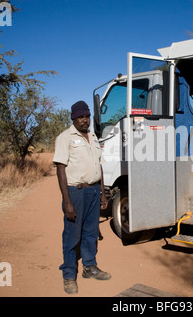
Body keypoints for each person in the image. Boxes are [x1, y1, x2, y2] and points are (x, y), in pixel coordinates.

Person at [53, 100, 111, 295]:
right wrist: (67, 201)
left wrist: (102, 192)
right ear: (73, 118)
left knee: (91, 232)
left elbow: (99, 165)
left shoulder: (92, 137)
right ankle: (69, 275)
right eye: (81, 117)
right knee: (72, 235)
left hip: (94, 191)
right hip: (76, 192)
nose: (85, 120)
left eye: (87, 116)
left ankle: (89, 267)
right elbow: (60, 169)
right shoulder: (65, 138)